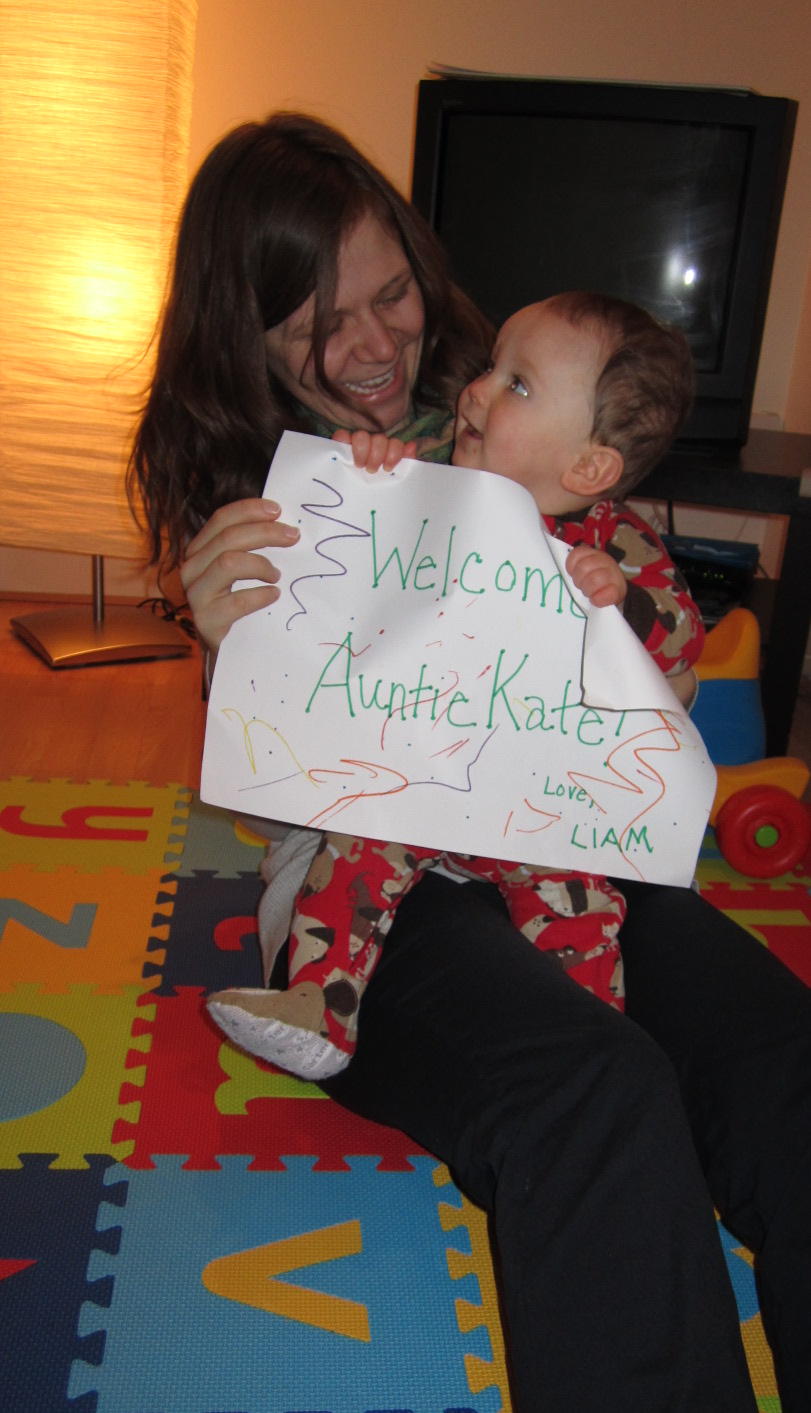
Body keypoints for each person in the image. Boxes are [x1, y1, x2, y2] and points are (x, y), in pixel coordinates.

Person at [131, 112, 811, 1413]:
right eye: (318, 322)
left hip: (560, 855)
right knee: (596, 1099)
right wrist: (228, 638)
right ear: (250, 330)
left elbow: (632, 659)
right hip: (373, 891)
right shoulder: (269, 482)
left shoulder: (520, 410)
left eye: (392, 295)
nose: (373, 347)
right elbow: (270, 775)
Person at [205, 292, 703, 1081]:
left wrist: (623, 600)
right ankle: (320, 1007)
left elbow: (681, 638)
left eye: (517, 384)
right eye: (491, 366)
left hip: (539, 810)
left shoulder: (615, 539)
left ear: (587, 467)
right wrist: (368, 480)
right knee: (353, 852)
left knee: (579, 914)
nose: (476, 390)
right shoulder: (432, 488)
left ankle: (586, 1045)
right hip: (420, 784)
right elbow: (350, 587)